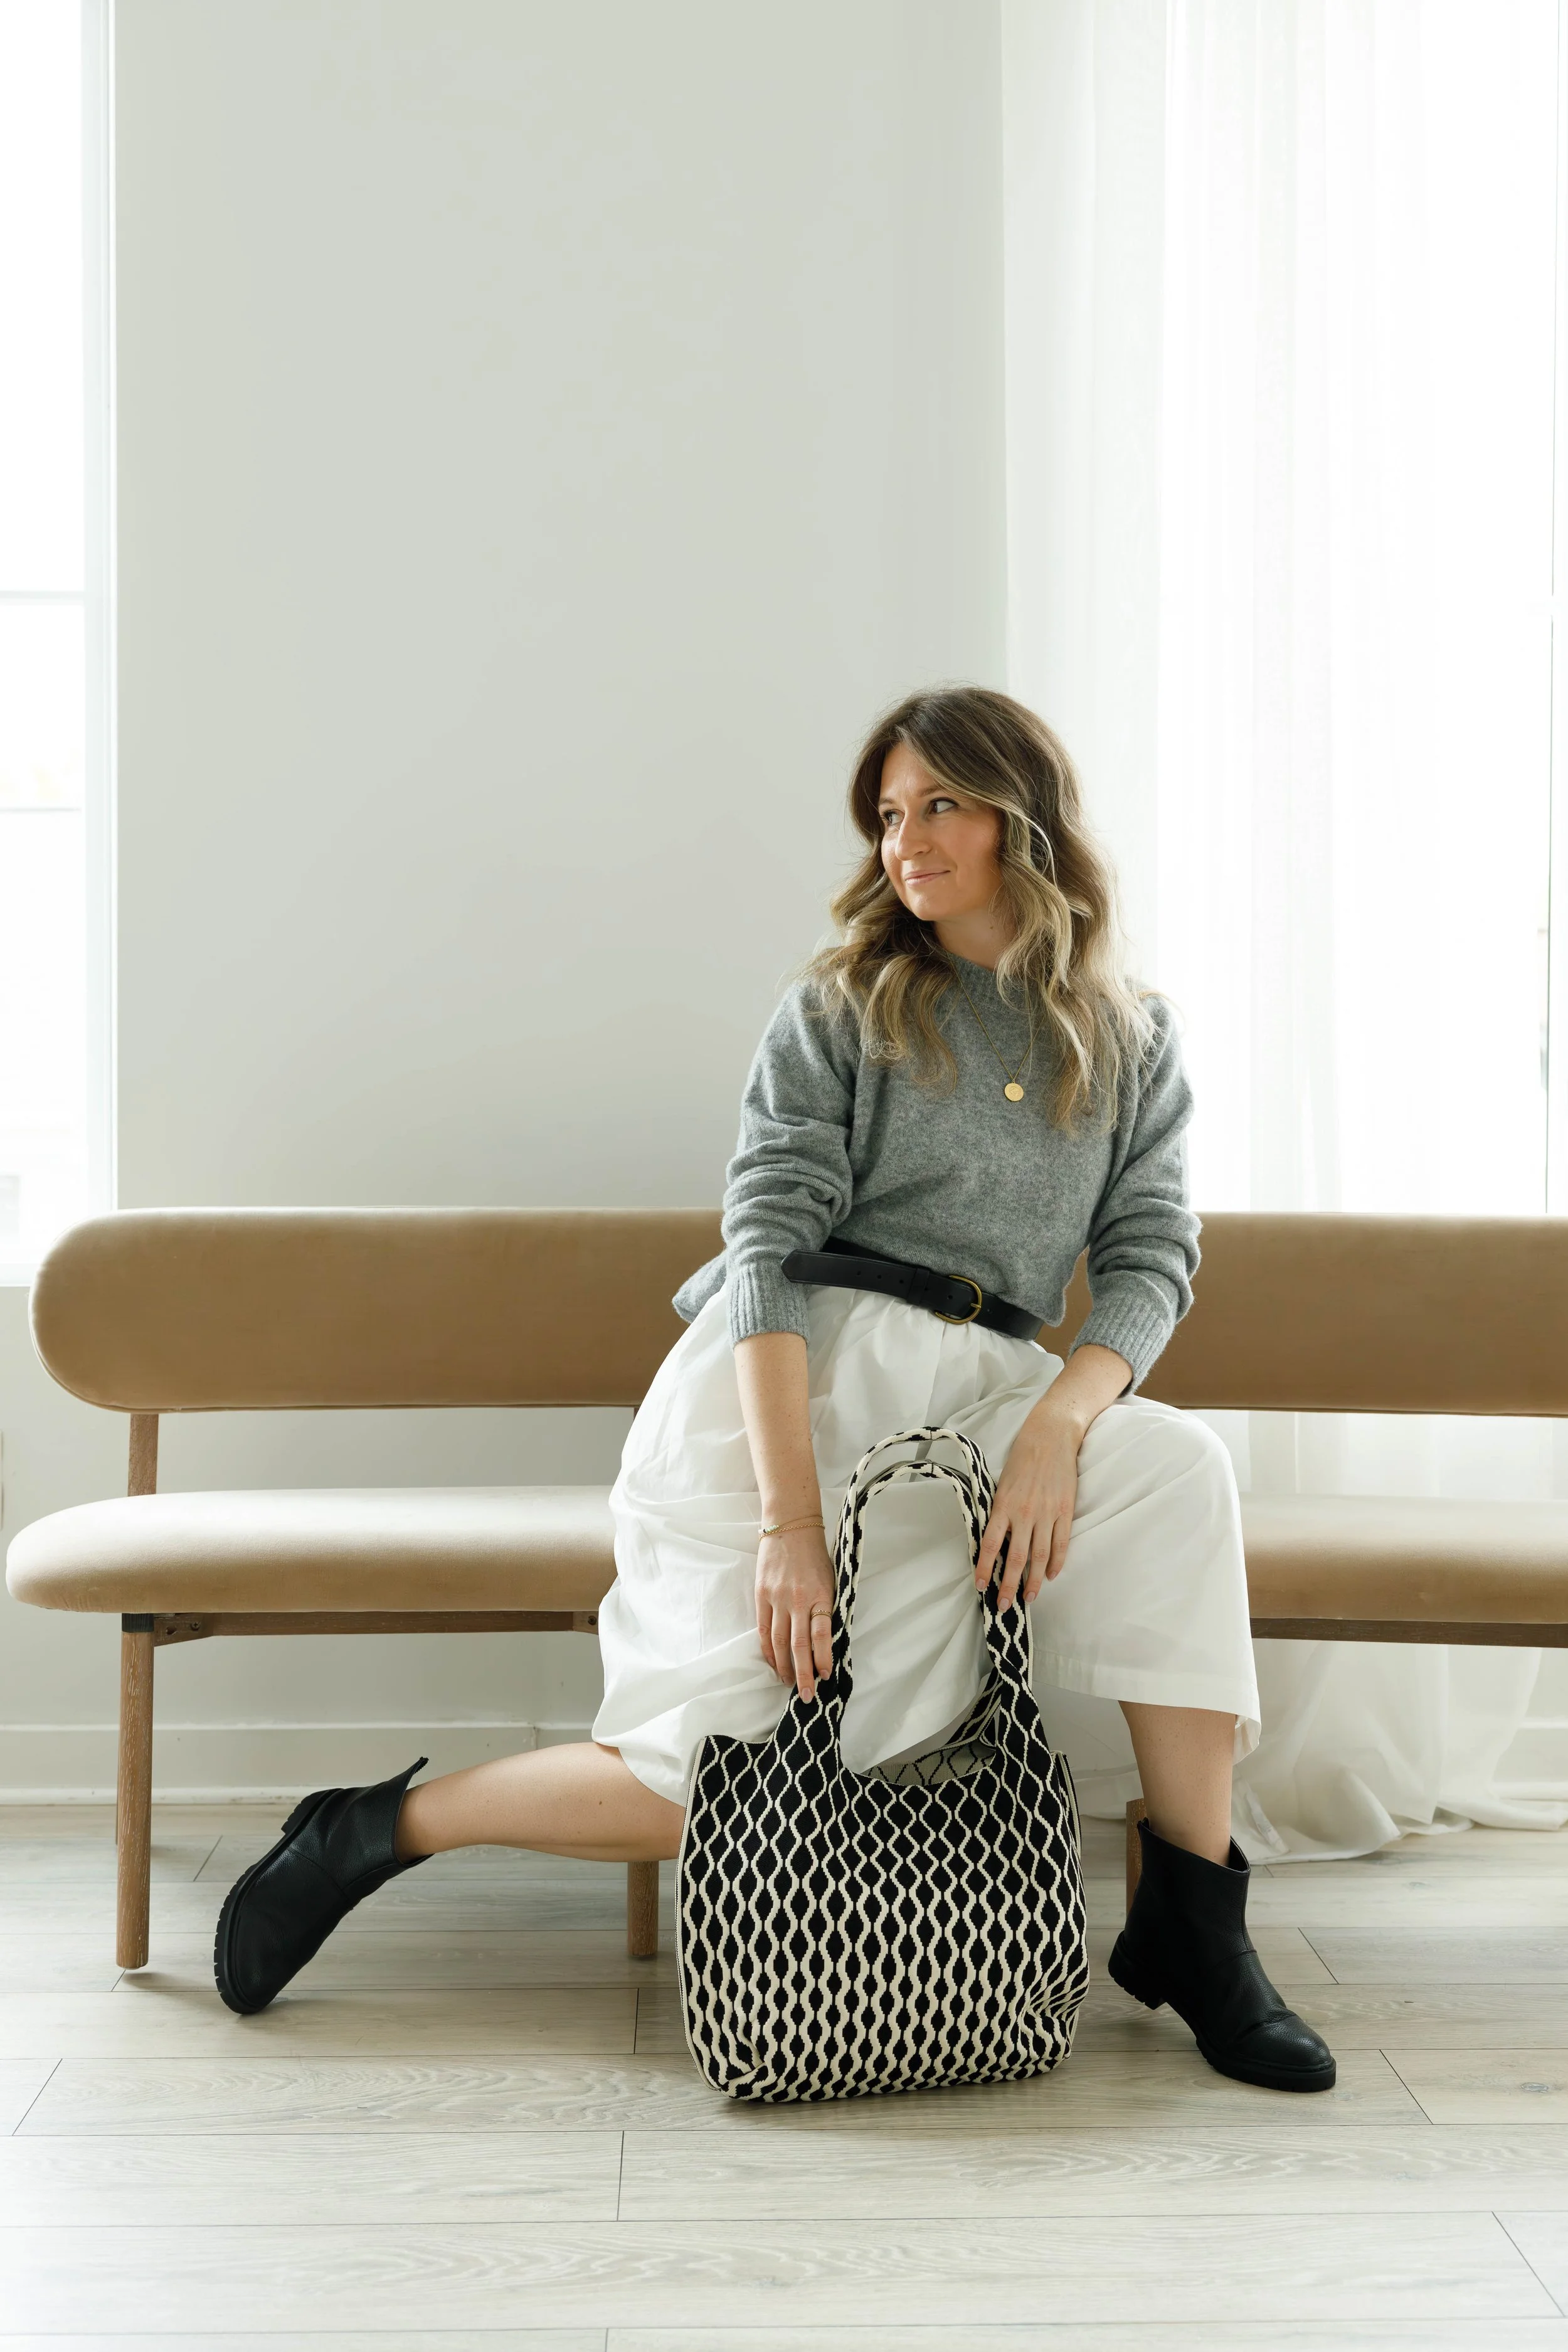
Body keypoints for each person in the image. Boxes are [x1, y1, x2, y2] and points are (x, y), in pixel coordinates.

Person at [214, 686, 1335, 2095]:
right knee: (718, 1778)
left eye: (938, 805)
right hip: (790, 1387)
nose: (903, 841)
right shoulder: (843, 1006)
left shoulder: (1128, 1035)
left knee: (1176, 1472)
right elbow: (765, 1255)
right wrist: (789, 1526)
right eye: (885, 812)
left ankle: (1195, 1918)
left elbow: (1150, 1255)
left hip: (989, 1394)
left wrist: (1064, 1419)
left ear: (1020, 817)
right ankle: (377, 1831)